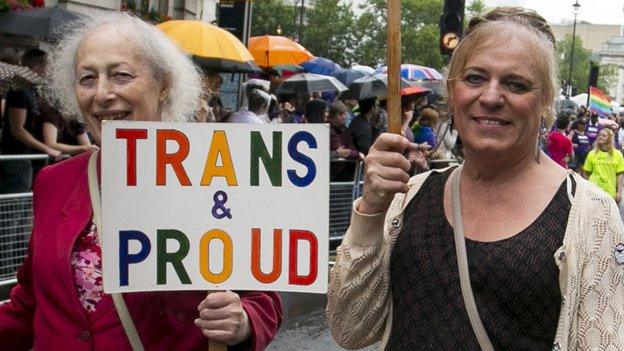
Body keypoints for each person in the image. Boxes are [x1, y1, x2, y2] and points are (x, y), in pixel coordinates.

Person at [327, 7, 624, 350]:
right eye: (475, 78)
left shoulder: (590, 214)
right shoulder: (409, 195)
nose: (492, 97)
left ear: (544, 102)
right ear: (453, 92)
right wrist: (371, 209)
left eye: (516, 84)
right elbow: (349, 330)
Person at [0, 12, 282, 350]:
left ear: (163, 86)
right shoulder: (53, 181)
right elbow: (28, 302)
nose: (101, 93)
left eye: (120, 75)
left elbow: (262, 298)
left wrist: (243, 321)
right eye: (87, 78)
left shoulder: (213, 180)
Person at [0, 49, 62, 194]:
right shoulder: (20, 92)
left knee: (22, 202)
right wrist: (47, 148)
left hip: (24, 158)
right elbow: (18, 130)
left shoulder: (31, 90)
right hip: (16, 158)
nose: (50, 71)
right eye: (48, 67)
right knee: (14, 203)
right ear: (37, 68)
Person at [583, 128, 624, 203]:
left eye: (604, 135)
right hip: (593, 190)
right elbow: (586, 174)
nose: (600, 136)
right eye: (599, 135)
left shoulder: (618, 154)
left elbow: (620, 175)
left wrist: (619, 192)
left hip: (609, 192)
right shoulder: (592, 154)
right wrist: (585, 189)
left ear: (610, 139)